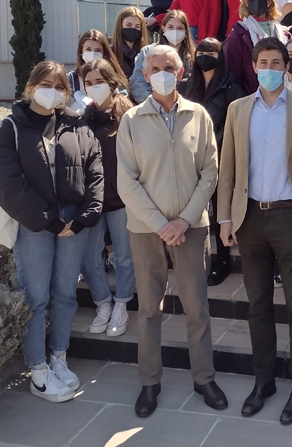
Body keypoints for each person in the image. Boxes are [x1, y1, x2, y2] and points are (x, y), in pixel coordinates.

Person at [217, 37, 292, 425]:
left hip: (291, 217)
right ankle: (263, 380)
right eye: (262, 61)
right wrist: (225, 219)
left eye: (276, 61)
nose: (269, 67)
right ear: (253, 66)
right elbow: (228, 169)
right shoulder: (237, 109)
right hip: (249, 219)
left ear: (286, 66)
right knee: (257, 307)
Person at [116, 43, 227, 417]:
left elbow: (210, 172)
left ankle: (204, 378)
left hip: (192, 227)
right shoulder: (132, 120)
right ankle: (149, 382)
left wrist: (184, 219)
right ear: (145, 75)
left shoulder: (199, 115)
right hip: (147, 230)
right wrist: (163, 224)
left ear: (181, 72)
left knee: (198, 308)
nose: (162, 73)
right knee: (149, 310)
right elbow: (127, 183)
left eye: (170, 67)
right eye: (155, 68)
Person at [0, 61, 103, 403]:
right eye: (45, 83)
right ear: (31, 86)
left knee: (65, 294)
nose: (52, 91)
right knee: (36, 298)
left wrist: (84, 218)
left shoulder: (77, 126)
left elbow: (95, 171)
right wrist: (48, 220)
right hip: (35, 223)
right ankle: (37, 370)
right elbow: (6, 183)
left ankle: (59, 358)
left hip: (74, 221)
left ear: (66, 93)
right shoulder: (9, 129)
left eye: (59, 86)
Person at [178, 37, 245, 287]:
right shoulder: (185, 87)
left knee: (219, 209)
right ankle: (196, 258)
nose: (205, 55)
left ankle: (222, 260)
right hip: (189, 157)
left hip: (219, 156)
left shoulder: (230, 85)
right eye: (201, 50)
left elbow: (239, 118)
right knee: (193, 208)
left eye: (212, 51)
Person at [79, 58, 135, 338]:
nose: (93, 87)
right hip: (92, 201)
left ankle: (122, 304)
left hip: (121, 200)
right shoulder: (84, 117)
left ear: (112, 82)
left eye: (99, 81)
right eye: (88, 83)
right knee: (89, 259)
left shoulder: (128, 114)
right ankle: (103, 303)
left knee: (124, 258)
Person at [225, 0, 288, 94]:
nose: (257, 1)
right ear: (246, 2)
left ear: (269, 2)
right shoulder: (239, 33)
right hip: (251, 95)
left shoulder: (283, 32)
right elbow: (233, 73)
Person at [130, 10, 197, 103]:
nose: (175, 31)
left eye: (180, 28)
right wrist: (151, 105)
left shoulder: (194, 55)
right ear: (163, 28)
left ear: (186, 30)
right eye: (170, 27)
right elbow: (138, 82)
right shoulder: (147, 52)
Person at [67, 29, 129, 114]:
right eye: (88, 49)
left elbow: (123, 100)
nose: (93, 54)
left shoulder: (113, 75)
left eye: (98, 50)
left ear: (104, 53)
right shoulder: (71, 78)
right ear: (81, 52)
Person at [111, 7, 149, 78]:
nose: (133, 29)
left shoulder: (146, 53)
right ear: (120, 26)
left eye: (137, 26)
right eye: (128, 25)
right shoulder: (110, 53)